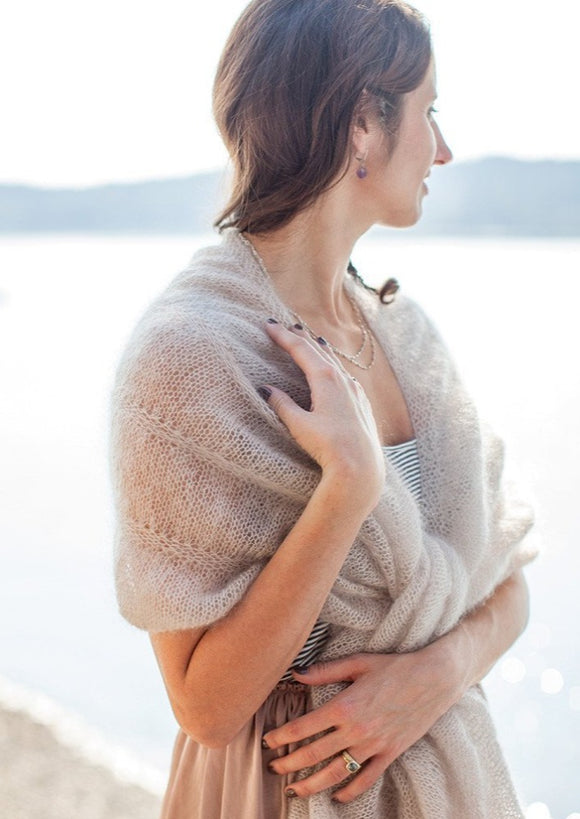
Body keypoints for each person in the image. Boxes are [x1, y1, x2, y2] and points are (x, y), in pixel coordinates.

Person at [110, 0, 536, 816]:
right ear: (360, 128)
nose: (444, 150)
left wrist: (434, 674)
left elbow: (508, 579)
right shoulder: (189, 356)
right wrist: (346, 489)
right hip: (280, 790)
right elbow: (206, 706)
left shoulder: (402, 333)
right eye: (429, 110)